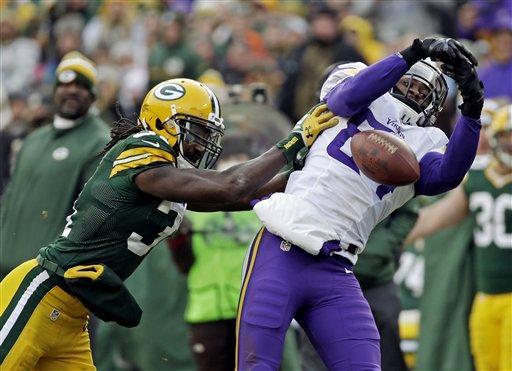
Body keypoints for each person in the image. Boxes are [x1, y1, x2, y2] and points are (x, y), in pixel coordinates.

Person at [0, 78, 337, 369]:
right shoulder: (142, 149)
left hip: (75, 316)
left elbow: (237, 196)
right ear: (166, 123)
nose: (201, 142)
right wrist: (292, 144)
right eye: (198, 130)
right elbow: (229, 185)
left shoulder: (166, 177)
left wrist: (303, 175)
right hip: (43, 291)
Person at [236, 37, 484, 370]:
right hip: (283, 244)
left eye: (423, 92)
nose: (412, 92)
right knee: (257, 365)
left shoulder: (426, 142)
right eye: (407, 81)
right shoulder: (363, 86)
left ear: (436, 108)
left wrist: (472, 107)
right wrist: (412, 52)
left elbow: (449, 175)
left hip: (337, 266)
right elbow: (344, 98)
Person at [405, 104, 512, 371]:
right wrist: (388, 235)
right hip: (485, 297)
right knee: (487, 364)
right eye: (507, 136)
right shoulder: (476, 178)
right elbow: (435, 218)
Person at [0, 51, 110, 278]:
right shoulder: (33, 139)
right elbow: (9, 200)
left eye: (81, 85)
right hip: (6, 273)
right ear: (54, 90)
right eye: (64, 83)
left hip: (48, 279)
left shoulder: (100, 142)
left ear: (92, 94)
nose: (71, 90)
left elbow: (92, 216)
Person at [299, 199, 419, 371]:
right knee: (318, 359)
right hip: (325, 277)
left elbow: (408, 211)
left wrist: (382, 246)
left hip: (376, 280)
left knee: (385, 358)